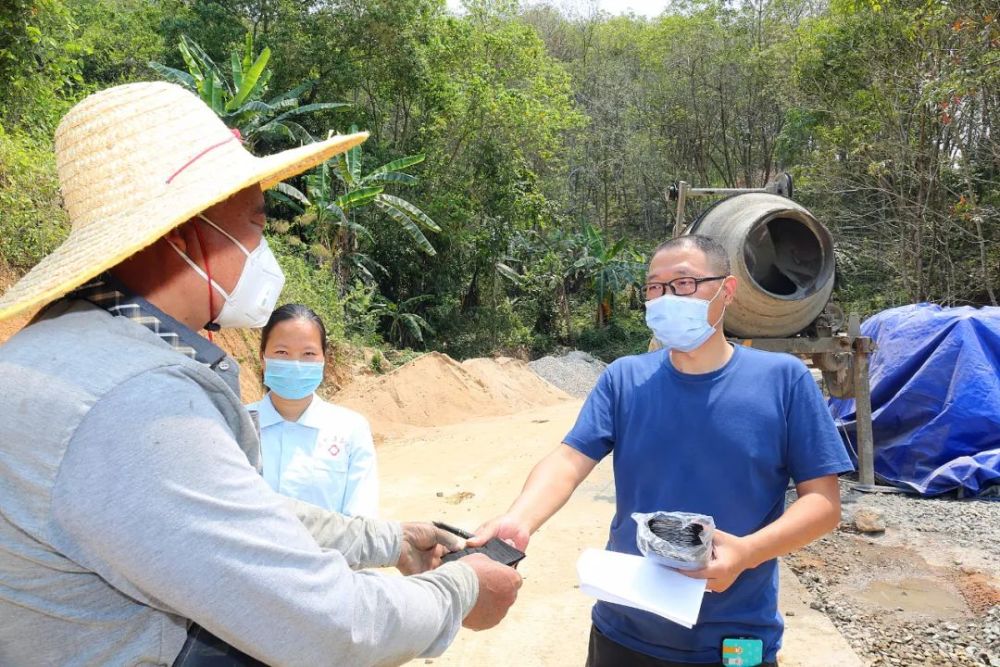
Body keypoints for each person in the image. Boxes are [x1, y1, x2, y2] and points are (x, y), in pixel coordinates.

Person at [0, 81, 520, 667]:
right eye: (256, 222)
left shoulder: (62, 347)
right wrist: (463, 589)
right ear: (190, 237)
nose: (262, 246)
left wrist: (390, 539)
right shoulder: (137, 398)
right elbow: (323, 626)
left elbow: (231, 516)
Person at [472, 234, 854, 666]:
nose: (667, 297)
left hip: (733, 636)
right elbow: (568, 460)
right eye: (655, 287)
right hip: (626, 627)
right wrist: (520, 519)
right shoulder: (624, 379)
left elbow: (822, 504)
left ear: (726, 291)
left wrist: (747, 553)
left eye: (684, 284)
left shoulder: (783, 381)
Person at [247, 303, 379, 516]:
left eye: (308, 353)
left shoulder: (351, 429)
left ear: (324, 359)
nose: (296, 364)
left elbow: (361, 521)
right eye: (282, 352)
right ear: (263, 357)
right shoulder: (235, 423)